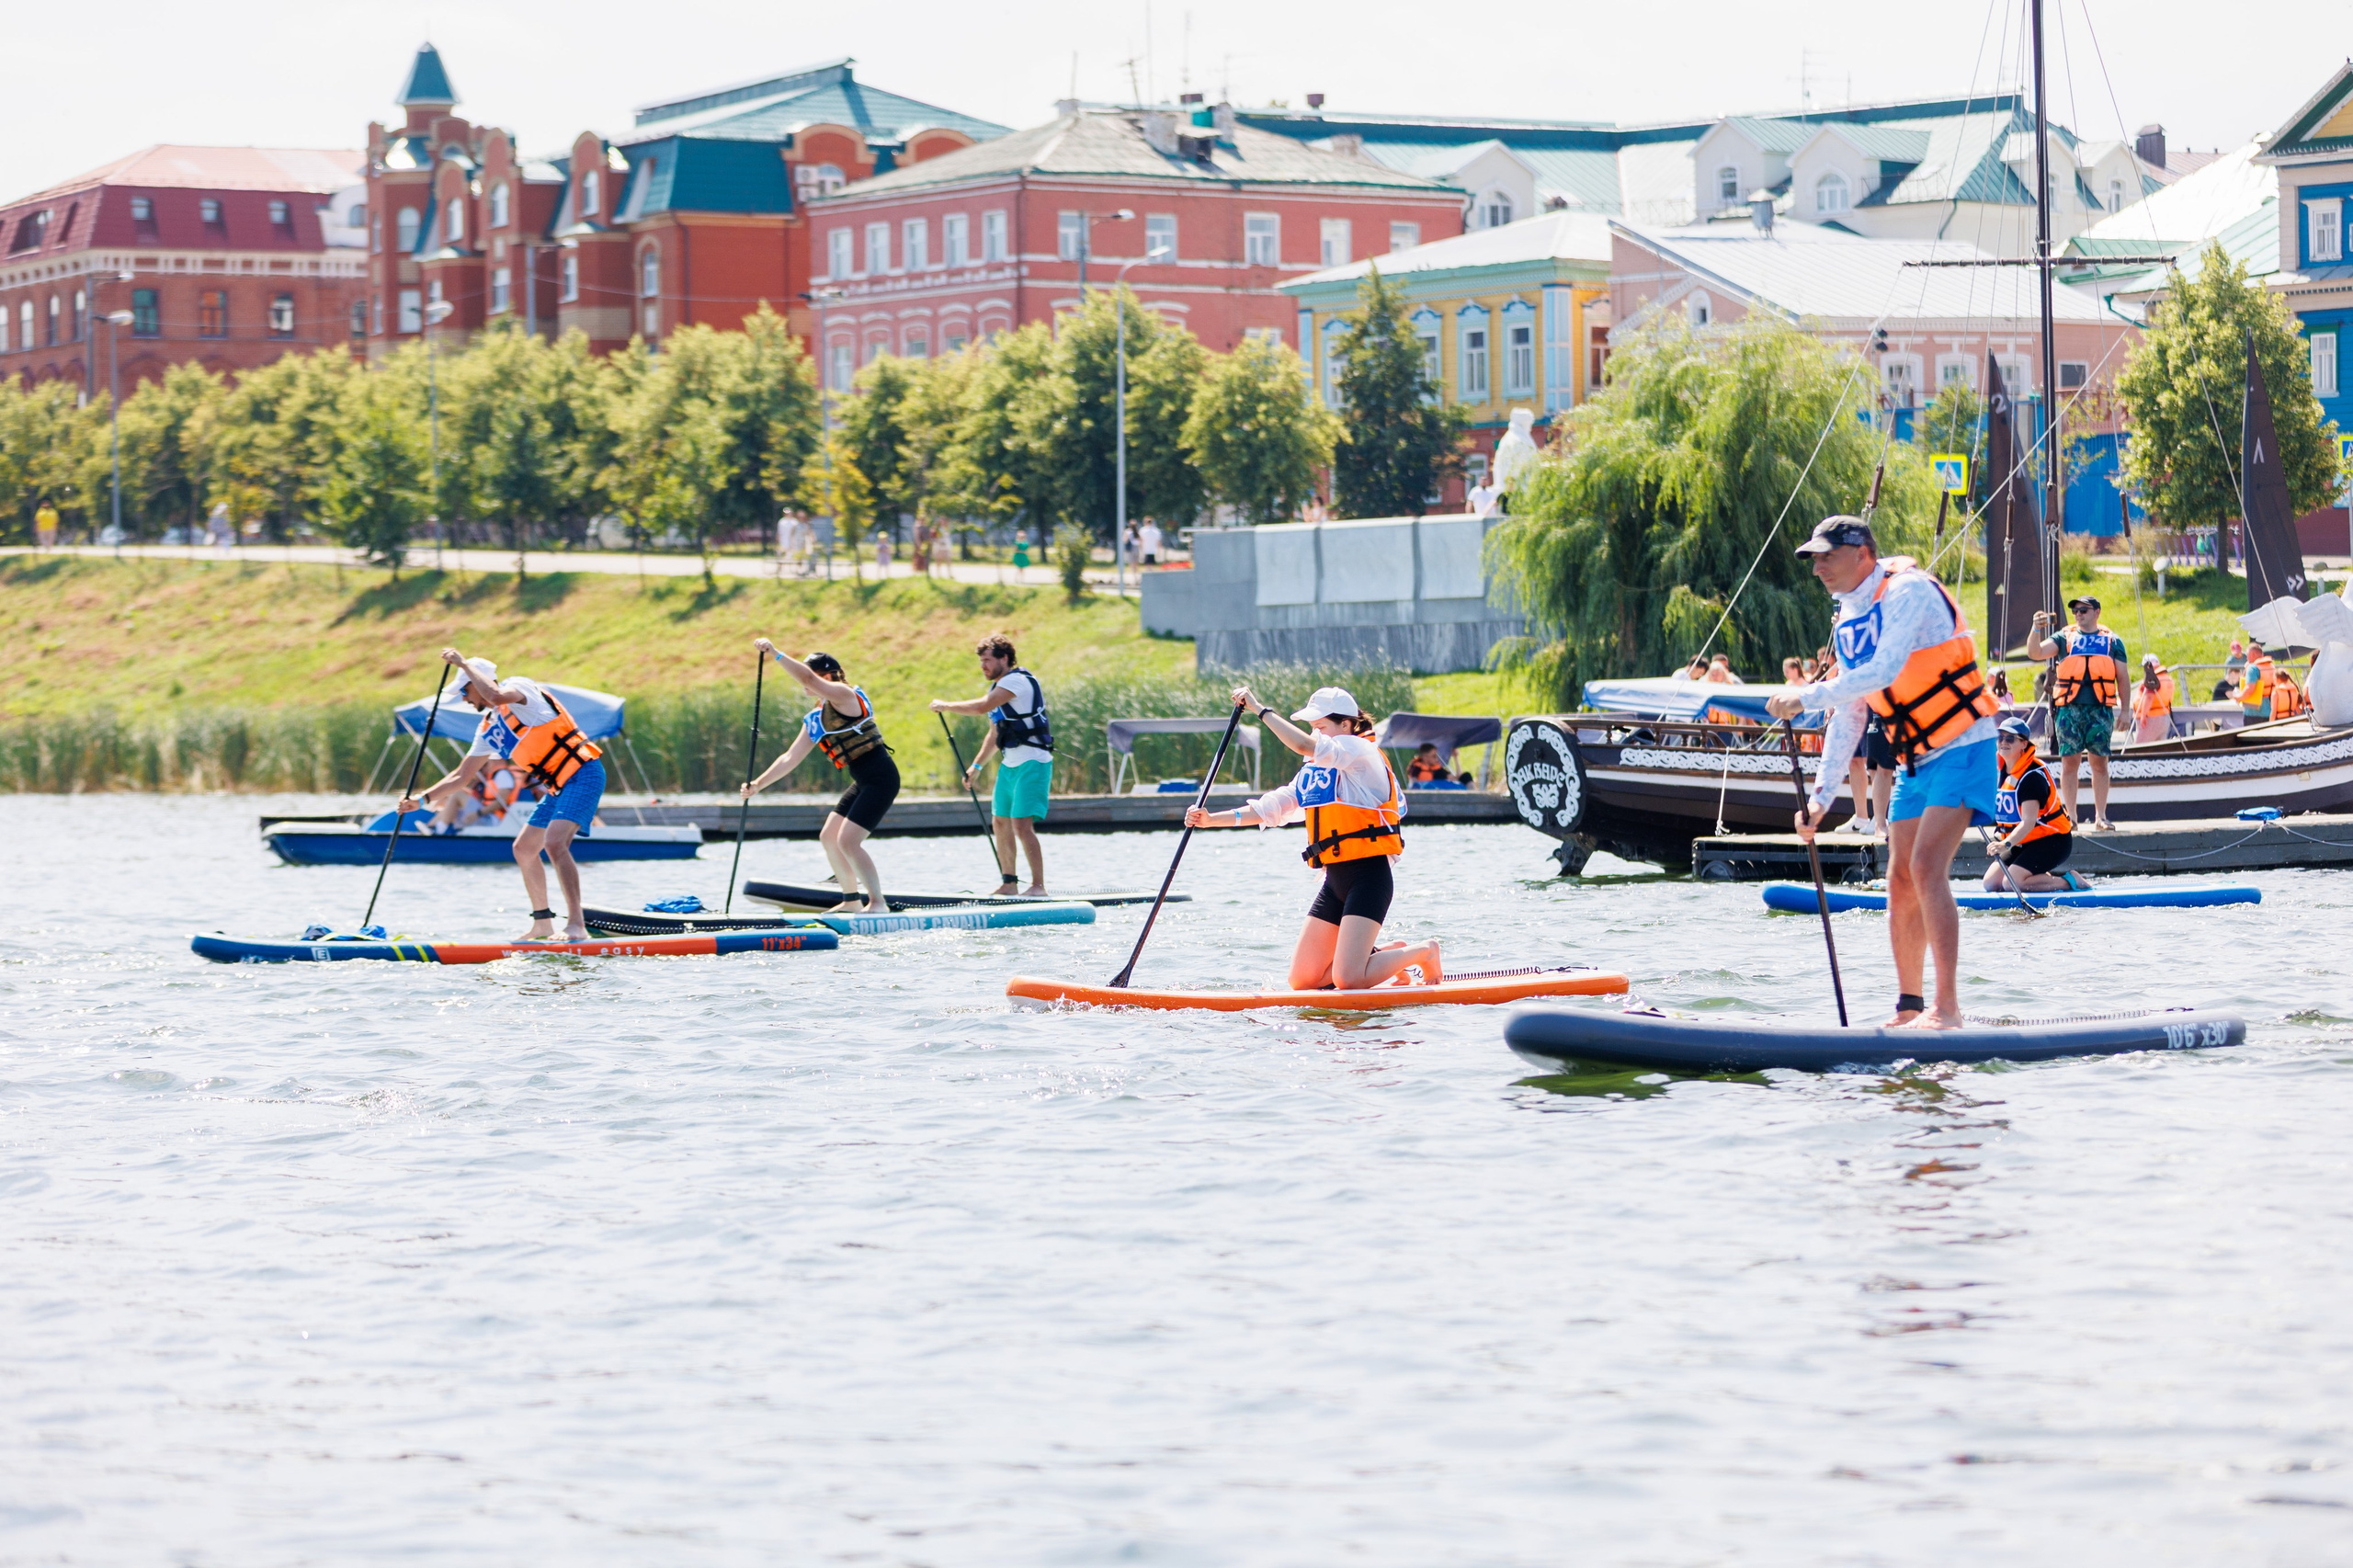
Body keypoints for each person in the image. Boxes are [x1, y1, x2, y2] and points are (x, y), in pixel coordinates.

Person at [1767, 515, 2001, 1029]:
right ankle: (1909, 1007)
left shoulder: (1907, 591)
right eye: (1814, 559)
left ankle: (1947, 1010)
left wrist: (1805, 695)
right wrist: (1821, 799)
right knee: (1899, 878)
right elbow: (1852, 712)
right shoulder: (1849, 616)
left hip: (1965, 744)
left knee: (1926, 867)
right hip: (1914, 760)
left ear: (1863, 554)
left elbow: (1885, 671)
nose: (1817, 568)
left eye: (1827, 556)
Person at [1183, 685, 1440, 992]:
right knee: (1303, 980)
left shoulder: (1361, 752)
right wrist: (1212, 820)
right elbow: (1271, 807)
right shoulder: (1316, 770)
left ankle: (1425, 951)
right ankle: (1384, 956)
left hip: (1369, 878)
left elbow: (1303, 745)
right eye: (1312, 728)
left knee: (1348, 980)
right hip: (1335, 880)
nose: (1315, 734)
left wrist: (1259, 709)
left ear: (1346, 725)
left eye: (1321, 727)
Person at [400, 650, 608, 941]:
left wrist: (464, 664)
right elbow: (462, 776)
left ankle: (577, 925)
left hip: (583, 773)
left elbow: (496, 696)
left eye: (464, 691)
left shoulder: (520, 688)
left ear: (479, 681)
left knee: (554, 842)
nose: (464, 699)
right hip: (558, 786)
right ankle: (543, 924)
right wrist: (421, 800)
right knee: (523, 848)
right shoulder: (488, 727)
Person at [743, 642, 897, 913]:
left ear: (826, 677)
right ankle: (851, 900)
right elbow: (790, 758)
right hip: (863, 780)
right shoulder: (818, 717)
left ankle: (878, 903)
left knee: (848, 841)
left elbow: (807, 678)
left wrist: (775, 653)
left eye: (811, 675)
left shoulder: (844, 695)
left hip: (882, 778)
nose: (803, 682)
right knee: (829, 836)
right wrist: (757, 784)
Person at [929, 633, 1052, 896]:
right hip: (1010, 764)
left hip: (1034, 761)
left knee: (1022, 825)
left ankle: (1038, 886)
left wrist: (946, 705)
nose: (983, 666)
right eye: (981, 661)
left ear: (1004, 658)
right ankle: (1009, 884)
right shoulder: (999, 688)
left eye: (987, 660)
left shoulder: (1016, 682)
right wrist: (977, 766)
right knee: (1000, 822)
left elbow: (982, 707)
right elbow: (995, 733)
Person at [2024, 597, 2125, 832]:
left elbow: (2123, 678)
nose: (2078, 614)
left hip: (2099, 709)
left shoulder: (2113, 641)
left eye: (2083, 610)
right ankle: (2071, 817)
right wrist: (2035, 629)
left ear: (2096, 612)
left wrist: (2126, 711)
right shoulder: (2063, 638)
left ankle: (2101, 816)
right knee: (2070, 762)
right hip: (2069, 710)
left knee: (2099, 762)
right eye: (2075, 611)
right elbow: (2035, 652)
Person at [1984, 715, 2077, 892]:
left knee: (2011, 883)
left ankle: (2070, 881)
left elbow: (2028, 822)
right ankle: (2037, 878)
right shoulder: (2002, 770)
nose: (2003, 742)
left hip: (2053, 841)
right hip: (2024, 841)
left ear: (2024, 744)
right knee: (1991, 883)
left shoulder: (2032, 777)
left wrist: (2005, 844)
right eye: (2000, 737)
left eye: (2010, 738)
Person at [2131, 655, 2177, 743]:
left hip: (2151, 718)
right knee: (2158, 747)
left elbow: (2149, 697)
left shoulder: (2152, 679)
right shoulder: (2166, 678)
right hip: (2164, 717)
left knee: (2141, 747)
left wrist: (2143, 715)